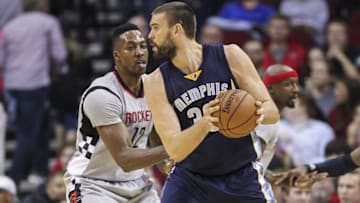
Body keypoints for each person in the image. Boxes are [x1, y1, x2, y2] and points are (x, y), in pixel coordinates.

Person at [145, 2, 279, 202]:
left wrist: (253, 112)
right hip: (190, 181)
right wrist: (207, 122)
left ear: (177, 30)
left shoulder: (230, 55)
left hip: (241, 174)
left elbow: (272, 112)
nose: (150, 35)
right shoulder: (155, 81)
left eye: (155, 27)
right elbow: (175, 149)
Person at [64, 23, 168, 203]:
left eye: (142, 46)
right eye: (131, 47)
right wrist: (176, 147)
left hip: (136, 183)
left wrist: (170, 164)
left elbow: (157, 142)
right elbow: (125, 159)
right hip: (92, 183)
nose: (139, 52)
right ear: (117, 57)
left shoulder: (154, 87)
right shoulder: (102, 94)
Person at [0, 0, 67, 184]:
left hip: (13, 85)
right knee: (28, 132)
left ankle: (39, 169)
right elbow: (60, 55)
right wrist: (57, 71)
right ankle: (15, 177)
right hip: (35, 82)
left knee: (42, 126)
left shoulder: (10, 26)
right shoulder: (47, 22)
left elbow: (1, 60)